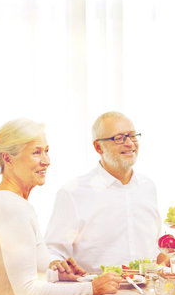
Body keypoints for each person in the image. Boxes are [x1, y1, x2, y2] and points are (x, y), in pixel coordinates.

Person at [0, 118, 121, 295]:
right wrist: (92, 289)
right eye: (36, 153)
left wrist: (59, 273)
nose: (46, 161)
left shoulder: (9, 202)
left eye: (46, 151)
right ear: (8, 159)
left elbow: (18, 275)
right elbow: (27, 292)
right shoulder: (11, 208)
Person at [45, 111, 164, 273]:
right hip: (99, 294)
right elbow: (54, 250)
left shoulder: (148, 186)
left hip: (147, 293)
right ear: (98, 147)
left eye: (132, 135)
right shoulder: (73, 193)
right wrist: (57, 263)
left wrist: (164, 256)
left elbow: (154, 244)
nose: (129, 143)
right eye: (119, 138)